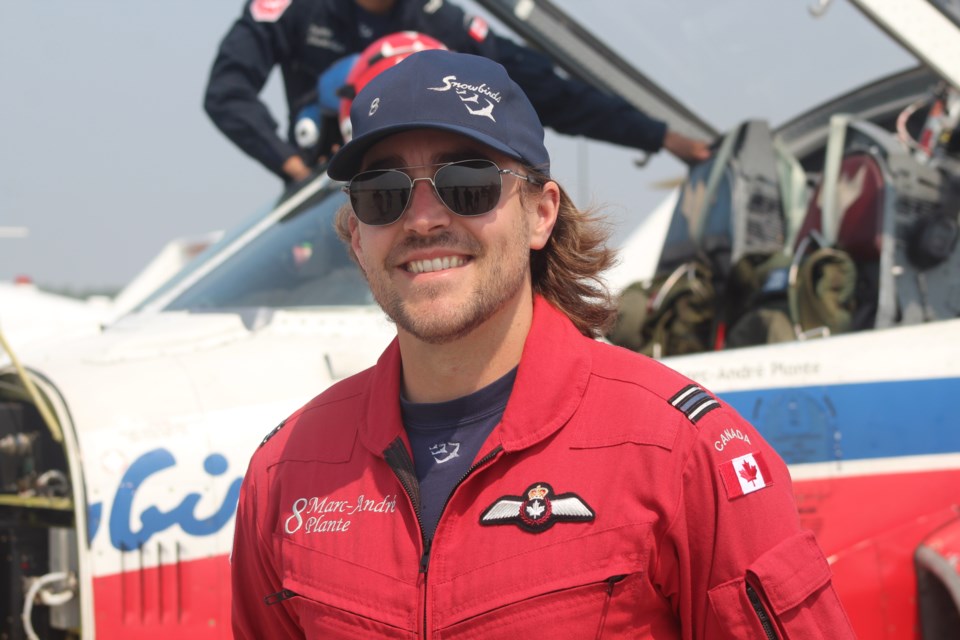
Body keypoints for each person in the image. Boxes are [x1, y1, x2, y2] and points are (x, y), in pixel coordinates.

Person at [230, 49, 854, 638]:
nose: (422, 220)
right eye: (382, 194)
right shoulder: (286, 474)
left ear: (541, 213)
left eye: (467, 183)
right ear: (355, 236)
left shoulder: (679, 452)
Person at [205, 0, 711, 184]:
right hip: (329, 195)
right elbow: (227, 93)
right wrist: (295, 170)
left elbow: (549, 92)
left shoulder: (441, 20)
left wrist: (662, 137)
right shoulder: (291, 8)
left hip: (431, 192)